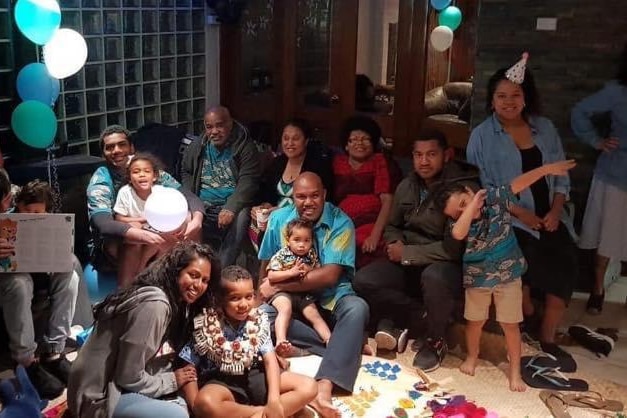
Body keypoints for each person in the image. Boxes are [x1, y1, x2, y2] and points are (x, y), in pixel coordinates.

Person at [466, 53, 578, 366]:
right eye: (501, 96)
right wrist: (521, 214)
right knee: (522, 259)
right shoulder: (482, 137)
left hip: (550, 217)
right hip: (509, 217)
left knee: (567, 258)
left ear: (525, 98)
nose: (508, 102)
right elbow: (484, 188)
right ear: (491, 101)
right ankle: (524, 320)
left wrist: (555, 211)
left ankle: (548, 336)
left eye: (515, 95)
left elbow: (561, 178)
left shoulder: (545, 128)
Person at [435, 159, 576, 392]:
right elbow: (459, 233)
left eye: (463, 202)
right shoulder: (461, 221)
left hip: (508, 275)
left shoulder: (494, 199)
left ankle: (514, 372)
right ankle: (472, 356)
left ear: (469, 191)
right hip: (477, 277)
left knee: (510, 324)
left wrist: (545, 170)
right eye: (456, 211)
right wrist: (469, 208)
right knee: (475, 321)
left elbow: (517, 184)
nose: (462, 211)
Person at [353, 128, 476, 371]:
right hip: (406, 258)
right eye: (418, 155)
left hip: (442, 263)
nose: (424, 161)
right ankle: (418, 317)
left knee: (434, 277)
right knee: (363, 281)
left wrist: (408, 254)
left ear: (446, 155)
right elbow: (392, 225)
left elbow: (453, 248)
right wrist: (395, 243)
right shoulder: (407, 185)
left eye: (431, 154)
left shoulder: (459, 191)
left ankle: (436, 339)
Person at [258, 172, 369, 418]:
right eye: (301, 197)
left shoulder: (341, 223)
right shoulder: (279, 220)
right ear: (292, 197)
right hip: (291, 303)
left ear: (325, 195)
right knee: (260, 318)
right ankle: (347, 344)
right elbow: (265, 264)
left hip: (330, 298)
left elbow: (330, 275)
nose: (308, 202)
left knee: (357, 309)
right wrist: (261, 295)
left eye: (314, 196)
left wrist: (277, 286)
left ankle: (324, 386)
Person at [68, 241, 219, 418]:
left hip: (115, 383)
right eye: (193, 275)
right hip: (97, 396)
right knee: (177, 415)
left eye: (205, 280)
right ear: (176, 271)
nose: (199, 285)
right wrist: (172, 381)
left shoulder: (169, 299)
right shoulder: (155, 305)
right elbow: (128, 376)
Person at [178, 265, 318, 418]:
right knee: (206, 402)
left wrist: (274, 400)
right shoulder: (206, 324)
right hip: (222, 382)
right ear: (220, 299)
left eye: (249, 296)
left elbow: (270, 360)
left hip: (256, 375)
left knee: (309, 386)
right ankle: (264, 414)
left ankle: (270, 412)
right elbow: (188, 364)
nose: (243, 304)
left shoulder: (258, 321)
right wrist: (195, 406)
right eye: (235, 298)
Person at [0, 174, 81, 399]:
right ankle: (26, 361)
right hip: (10, 281)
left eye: (40, 213)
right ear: (18, 206)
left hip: (37, 274)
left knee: (69, 271)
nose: (34, 217)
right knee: (19, 282)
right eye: (29, 213)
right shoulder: (6, 220)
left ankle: (55, 351)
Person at [87, 125, 205, 274]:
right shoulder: (102, 179)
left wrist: (197, 221)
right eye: (110, 147)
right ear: (104, 154)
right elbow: (103, 224)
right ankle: (129, 288)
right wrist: (149, 237)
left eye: (122, 144)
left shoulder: (146, 170)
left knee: (188, 217)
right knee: (135, 233)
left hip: (152, 229)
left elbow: (189, 197)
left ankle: (192, 273)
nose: (116, 150)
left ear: (132, 148)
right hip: (112, 242)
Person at [571, 43, 627, 314]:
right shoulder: (617, 92)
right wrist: (597, 140)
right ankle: (597, 288)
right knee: (608, 235)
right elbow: (579, 112)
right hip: (617, 172)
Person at [181, 106, 260, 267]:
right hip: (202, 204)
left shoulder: (245, 147)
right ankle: (191, 266)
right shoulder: (198, 145)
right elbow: (186, 172)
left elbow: (249, 181)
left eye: (220, 125)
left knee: (242, 216)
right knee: (182, 216)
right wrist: (191, 202)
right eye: (209, 127)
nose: (214, 131)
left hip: (230, 205)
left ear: (230, 124)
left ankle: (221, 270)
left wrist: (230, 208)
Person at [251, 119, 333, 248]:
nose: (290, 143)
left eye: (295, 139)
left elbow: (323, 201)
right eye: (286, 138)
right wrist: (262, 206)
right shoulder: (277, 163)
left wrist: (284, 212)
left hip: (304, 223)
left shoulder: (318, 166)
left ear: (306, 141)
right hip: (274, 220)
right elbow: (263, 192)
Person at [333, 115, 396, 268]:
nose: (359, 143)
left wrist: (375, 235)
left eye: (365, 139)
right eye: (353, 139)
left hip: (371, 224)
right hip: (342, 222)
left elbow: (388, 201)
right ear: (346, 145)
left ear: (373, 143)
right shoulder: (336, 162)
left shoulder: (380, 162)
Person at [113, 153, 185, 287]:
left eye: (147, 171)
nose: (142, 175)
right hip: (134, 235)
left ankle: (150, 274)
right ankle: (135, 278)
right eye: (136, 172)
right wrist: (141, 219)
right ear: (129, 178)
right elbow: (119, 218)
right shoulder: (125, 192)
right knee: (136, 227)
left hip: (156, 233)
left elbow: (172, 215)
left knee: (168, 239)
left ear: (155, 176)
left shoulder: (161, 192)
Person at [266, 218, 332, 357]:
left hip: (302, 293)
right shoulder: (282, 255)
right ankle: (281, 340)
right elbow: (271, 275)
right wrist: (291, 272)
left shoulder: (311, 254)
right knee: (285, 309)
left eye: (306, 240)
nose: (302, 245)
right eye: (297, 240)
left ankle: (329, 340)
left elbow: (318, 270)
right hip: (282, 291)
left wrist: (309, 268)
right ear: (288, 240)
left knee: (314, 314)